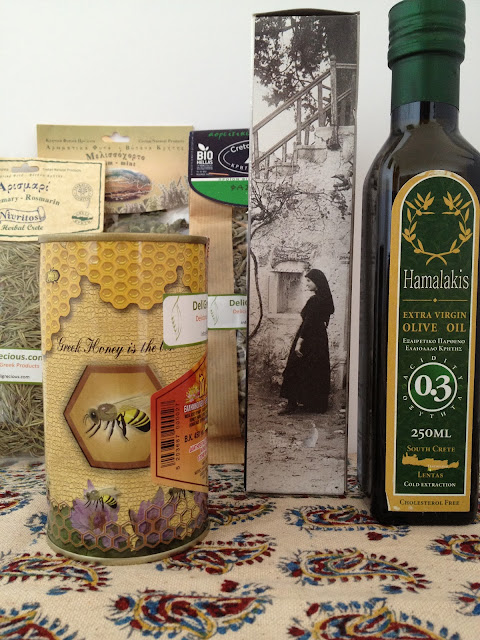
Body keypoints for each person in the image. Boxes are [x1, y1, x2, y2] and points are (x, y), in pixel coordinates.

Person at [279, 268, 334, 414]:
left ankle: (291, 404)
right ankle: (315, 404)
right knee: (315, 367)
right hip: (319, 339)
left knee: (295, 366)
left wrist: (299, 342)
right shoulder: (325, 299)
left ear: (317, 282)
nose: (307, 283)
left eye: (309, 281)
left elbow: (308, 323)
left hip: (308, 337)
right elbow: (324, 320)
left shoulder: (314, 300)